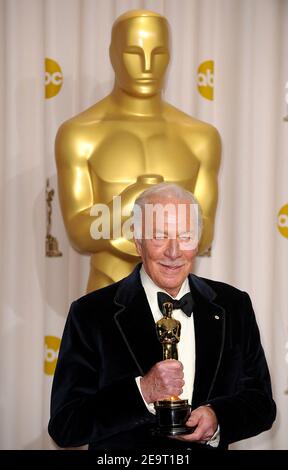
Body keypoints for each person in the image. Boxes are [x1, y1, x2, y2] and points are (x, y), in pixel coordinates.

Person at [48, 183, 276, 450]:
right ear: (137, 241)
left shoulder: (233, 305)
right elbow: (66, 425)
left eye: (185, 236)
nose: (173, 251)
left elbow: (261, 404)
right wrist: (143, 391)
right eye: (159, 236)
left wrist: (217, 418)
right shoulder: (91, 314)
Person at [55, 9, 221, 292]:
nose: (147, 66)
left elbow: (202, 233)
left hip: (176, 293)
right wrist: (131, 200)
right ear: (113, 55)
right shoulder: (79, 134)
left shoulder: (201, 138)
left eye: (158, 54)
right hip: (107, 291)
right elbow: (79, 234)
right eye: (134, 53)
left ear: (170, 57)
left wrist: (127, 219)